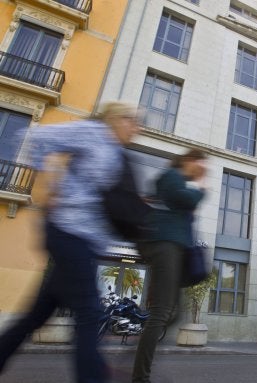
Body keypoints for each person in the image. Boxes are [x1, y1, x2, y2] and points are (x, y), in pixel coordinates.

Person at [0, 101, 141, 383]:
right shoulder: (92, 132)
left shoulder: (117, 153)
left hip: (86, 242)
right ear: (115, 119)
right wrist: (48, 188)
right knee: (90, 313)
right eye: (132, 121)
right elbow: (36, 137)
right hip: (67, 231)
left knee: (36, 316)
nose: (136, 128)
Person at [132, 148, 208, 383]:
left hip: (173, 247)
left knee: (174, 314)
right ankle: (140, 377)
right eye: (201, 164)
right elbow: (187, 199)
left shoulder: (176, 180)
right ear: (189, 161)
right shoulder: (173, 176)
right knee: (162, 312)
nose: (203, 170)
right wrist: (201, 189)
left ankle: (141, 352)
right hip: (165, 245)